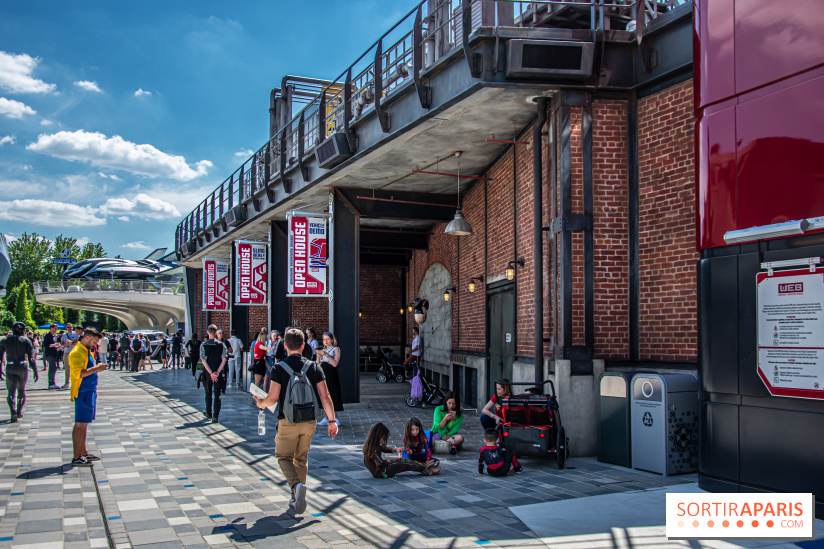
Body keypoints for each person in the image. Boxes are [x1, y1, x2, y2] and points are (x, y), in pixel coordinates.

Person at [253, 327, 338, 515]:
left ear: (285, 345)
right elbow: (325, 397)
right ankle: (296, 497)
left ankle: (296, 486)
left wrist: (260, 403)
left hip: (288, 420)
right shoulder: (314, 367)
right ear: (303, 345)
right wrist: (332, 421)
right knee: (301, 458)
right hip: (309, 421)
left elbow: (273, 398)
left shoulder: (279, 368)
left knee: (283, 456)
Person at [69, 327, 106, 466]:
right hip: (82, 391)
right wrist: (96, 368)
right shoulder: (78, 352)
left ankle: (83, 452)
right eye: (94, 341)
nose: (95, 344)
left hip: (89, 391)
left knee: (84, 424)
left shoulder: (85, 351)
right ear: (87, 338)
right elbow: (78, 373)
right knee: (79, 424)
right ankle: (76, 456)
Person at [363, 422, 441, 479]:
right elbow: (380, 463)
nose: (383, 440)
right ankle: (425, 469)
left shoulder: (373, 445)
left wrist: (394, 450)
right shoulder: (371, 448)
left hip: (382, 468)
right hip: (380, 472)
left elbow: (383, 449)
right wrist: (387, 461)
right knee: (403, 464)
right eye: (382, 438)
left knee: (404, 460)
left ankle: (424, 466)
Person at [0, 322, 39, 422]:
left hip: (10, 366)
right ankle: (19, 411)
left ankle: (13, 411)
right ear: (23, 330)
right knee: (21, 390)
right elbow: (31, 358)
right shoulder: (26, 340)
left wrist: (0, 369)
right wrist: (35, 370)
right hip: (22, 366)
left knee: (11, 391)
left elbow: (0, 358)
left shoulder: (5, 340)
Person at [199, 325, 227, 423]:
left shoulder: (203, 345)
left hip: (208, 373)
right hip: (218, 372)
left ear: (207, 332)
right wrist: (217, 372)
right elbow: (224, 359)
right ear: (216, 333)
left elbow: (203, 360)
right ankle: (216, 416)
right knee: (217, 394)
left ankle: (208, 412)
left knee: (208, 393)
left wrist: (211, 372)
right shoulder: (221, 345)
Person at [316, 331, 343, 427]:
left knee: (332, 394)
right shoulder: (322, 350)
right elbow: (317, 364)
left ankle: (334, 418)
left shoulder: (335, 350)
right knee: (323, 394)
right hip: (323, 373)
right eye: (324, 339)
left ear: (332, 340)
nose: (325, 341)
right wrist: (318, 356)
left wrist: (326, 354)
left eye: (327, 339)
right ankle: (325, 417)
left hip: (331, 374)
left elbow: (335, 364)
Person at [60, 324, 82, 389]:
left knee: (74, 368)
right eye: (68, 327)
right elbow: (61, 344)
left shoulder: (76, 334)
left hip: (74, 352)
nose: (69, 328)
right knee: (67, 368)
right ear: (66, 328)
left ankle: (75, 382)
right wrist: (65, 344)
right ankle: (67, 382)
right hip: (66, 352)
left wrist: (72, 343)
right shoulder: (64, 335)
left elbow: (78, 342)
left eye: (71, 327)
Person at [43, 323, 61, 389]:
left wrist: (57, 348)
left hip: (53, 353)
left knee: (51, 368)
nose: (56, 329)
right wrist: (54, 345)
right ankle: (51, 383)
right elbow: (46, 345)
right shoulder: (48, 336)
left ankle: (51, 383)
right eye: (55, 328)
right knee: (53, 368)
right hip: (49, 354)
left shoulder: (54, 336)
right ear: (51, 328)